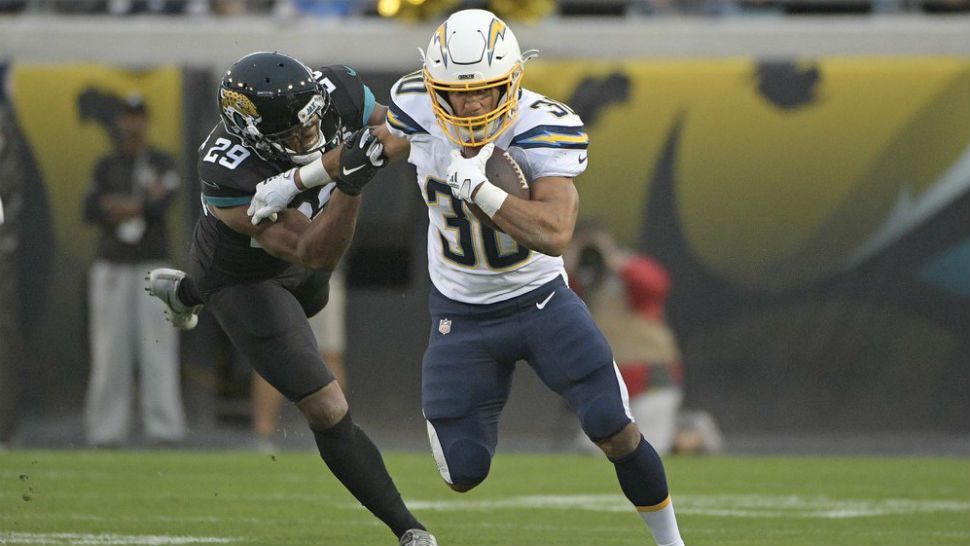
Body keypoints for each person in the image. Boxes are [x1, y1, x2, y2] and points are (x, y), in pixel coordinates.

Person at [249, 10, 687, 545]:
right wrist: (297, 180)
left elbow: (555, 232)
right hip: (462, 313)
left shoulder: (541, 125)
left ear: (510, 82)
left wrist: (482, 190)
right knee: (463, 471)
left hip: (541, 300)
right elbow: (375, 145)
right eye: (457, 93)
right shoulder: (418, 108)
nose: (472, 104)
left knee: (614, 430)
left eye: (483, 90)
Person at [144, 51, 436, 546]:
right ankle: (410, 529)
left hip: (305, 270)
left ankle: (184, 291)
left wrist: (307, 175)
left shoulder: (337, 90)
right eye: (295, 134)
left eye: (313, 121)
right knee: (326, 406)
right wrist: (349, 183)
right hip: (247, 277)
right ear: (254, 136)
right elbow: (313, 252)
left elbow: (406, 131)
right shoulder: (227, 168)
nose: (311, 134)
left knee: (316, 312)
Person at [81, 93, 187, 447]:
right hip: (113, 262)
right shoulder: (107, 164)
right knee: (110, 348)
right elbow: (90, 209)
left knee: (158, 344)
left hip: (153, 262)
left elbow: (162, 204)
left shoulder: (160, 161)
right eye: (128, 116)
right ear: (120, 121)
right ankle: (105, 429)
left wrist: (123, 205)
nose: (133, 123)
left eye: (138, 116)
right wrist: (138, 205)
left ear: (147, 120)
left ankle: (165, 427)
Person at [566, 221, 684, 455]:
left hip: (650, 376)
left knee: (649, 447)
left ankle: (688, 438)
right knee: (595, 450)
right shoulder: (581, 281)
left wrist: (614, 260)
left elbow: (657, 285)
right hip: (605, 380)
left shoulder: (631, 269)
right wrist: (571, 262)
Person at [251, 265, 348, 453]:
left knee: (329, 355)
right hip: (276, 273)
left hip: (321, 272)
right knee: (270, 354)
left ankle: (335, 436)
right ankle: (262, 436)